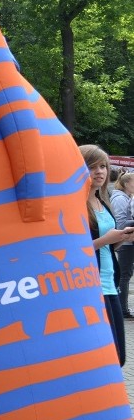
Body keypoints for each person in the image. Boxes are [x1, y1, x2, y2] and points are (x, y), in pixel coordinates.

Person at [81, 145, 131, 367]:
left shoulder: (102, 202)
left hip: (109, 284)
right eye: (91, 166)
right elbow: (71, 250)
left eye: (103, 166)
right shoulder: (75, 206)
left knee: (118, 355)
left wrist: (122, 238)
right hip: (89, 287)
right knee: (106, 357)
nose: (99, 171)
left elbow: (107, 247)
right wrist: (106, 240)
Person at [110, 170, 134, 318]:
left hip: (127, 241)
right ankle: (123, 309)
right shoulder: (119, 199)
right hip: (125, 242)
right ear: (126, 184)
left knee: (126, 274)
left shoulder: (127, 197)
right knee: (124, 275)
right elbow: (119, 223)